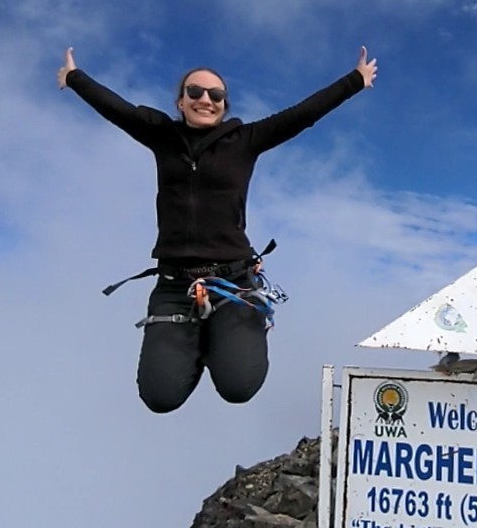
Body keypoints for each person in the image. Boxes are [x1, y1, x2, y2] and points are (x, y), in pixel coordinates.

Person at [57, 45, 377, 413]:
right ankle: (197, 340)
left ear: (225, 104)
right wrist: (74, 77)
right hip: (175, 285)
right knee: (160, 397)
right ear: (180, 102)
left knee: (238, 387)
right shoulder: (161, 135)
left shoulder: (245, 141)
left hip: (233, 282)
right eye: (195, 92)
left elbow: (302, 114)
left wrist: (355, 80)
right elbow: (116, 109)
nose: (205, 99)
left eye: (216, 94)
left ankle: (227, 337)